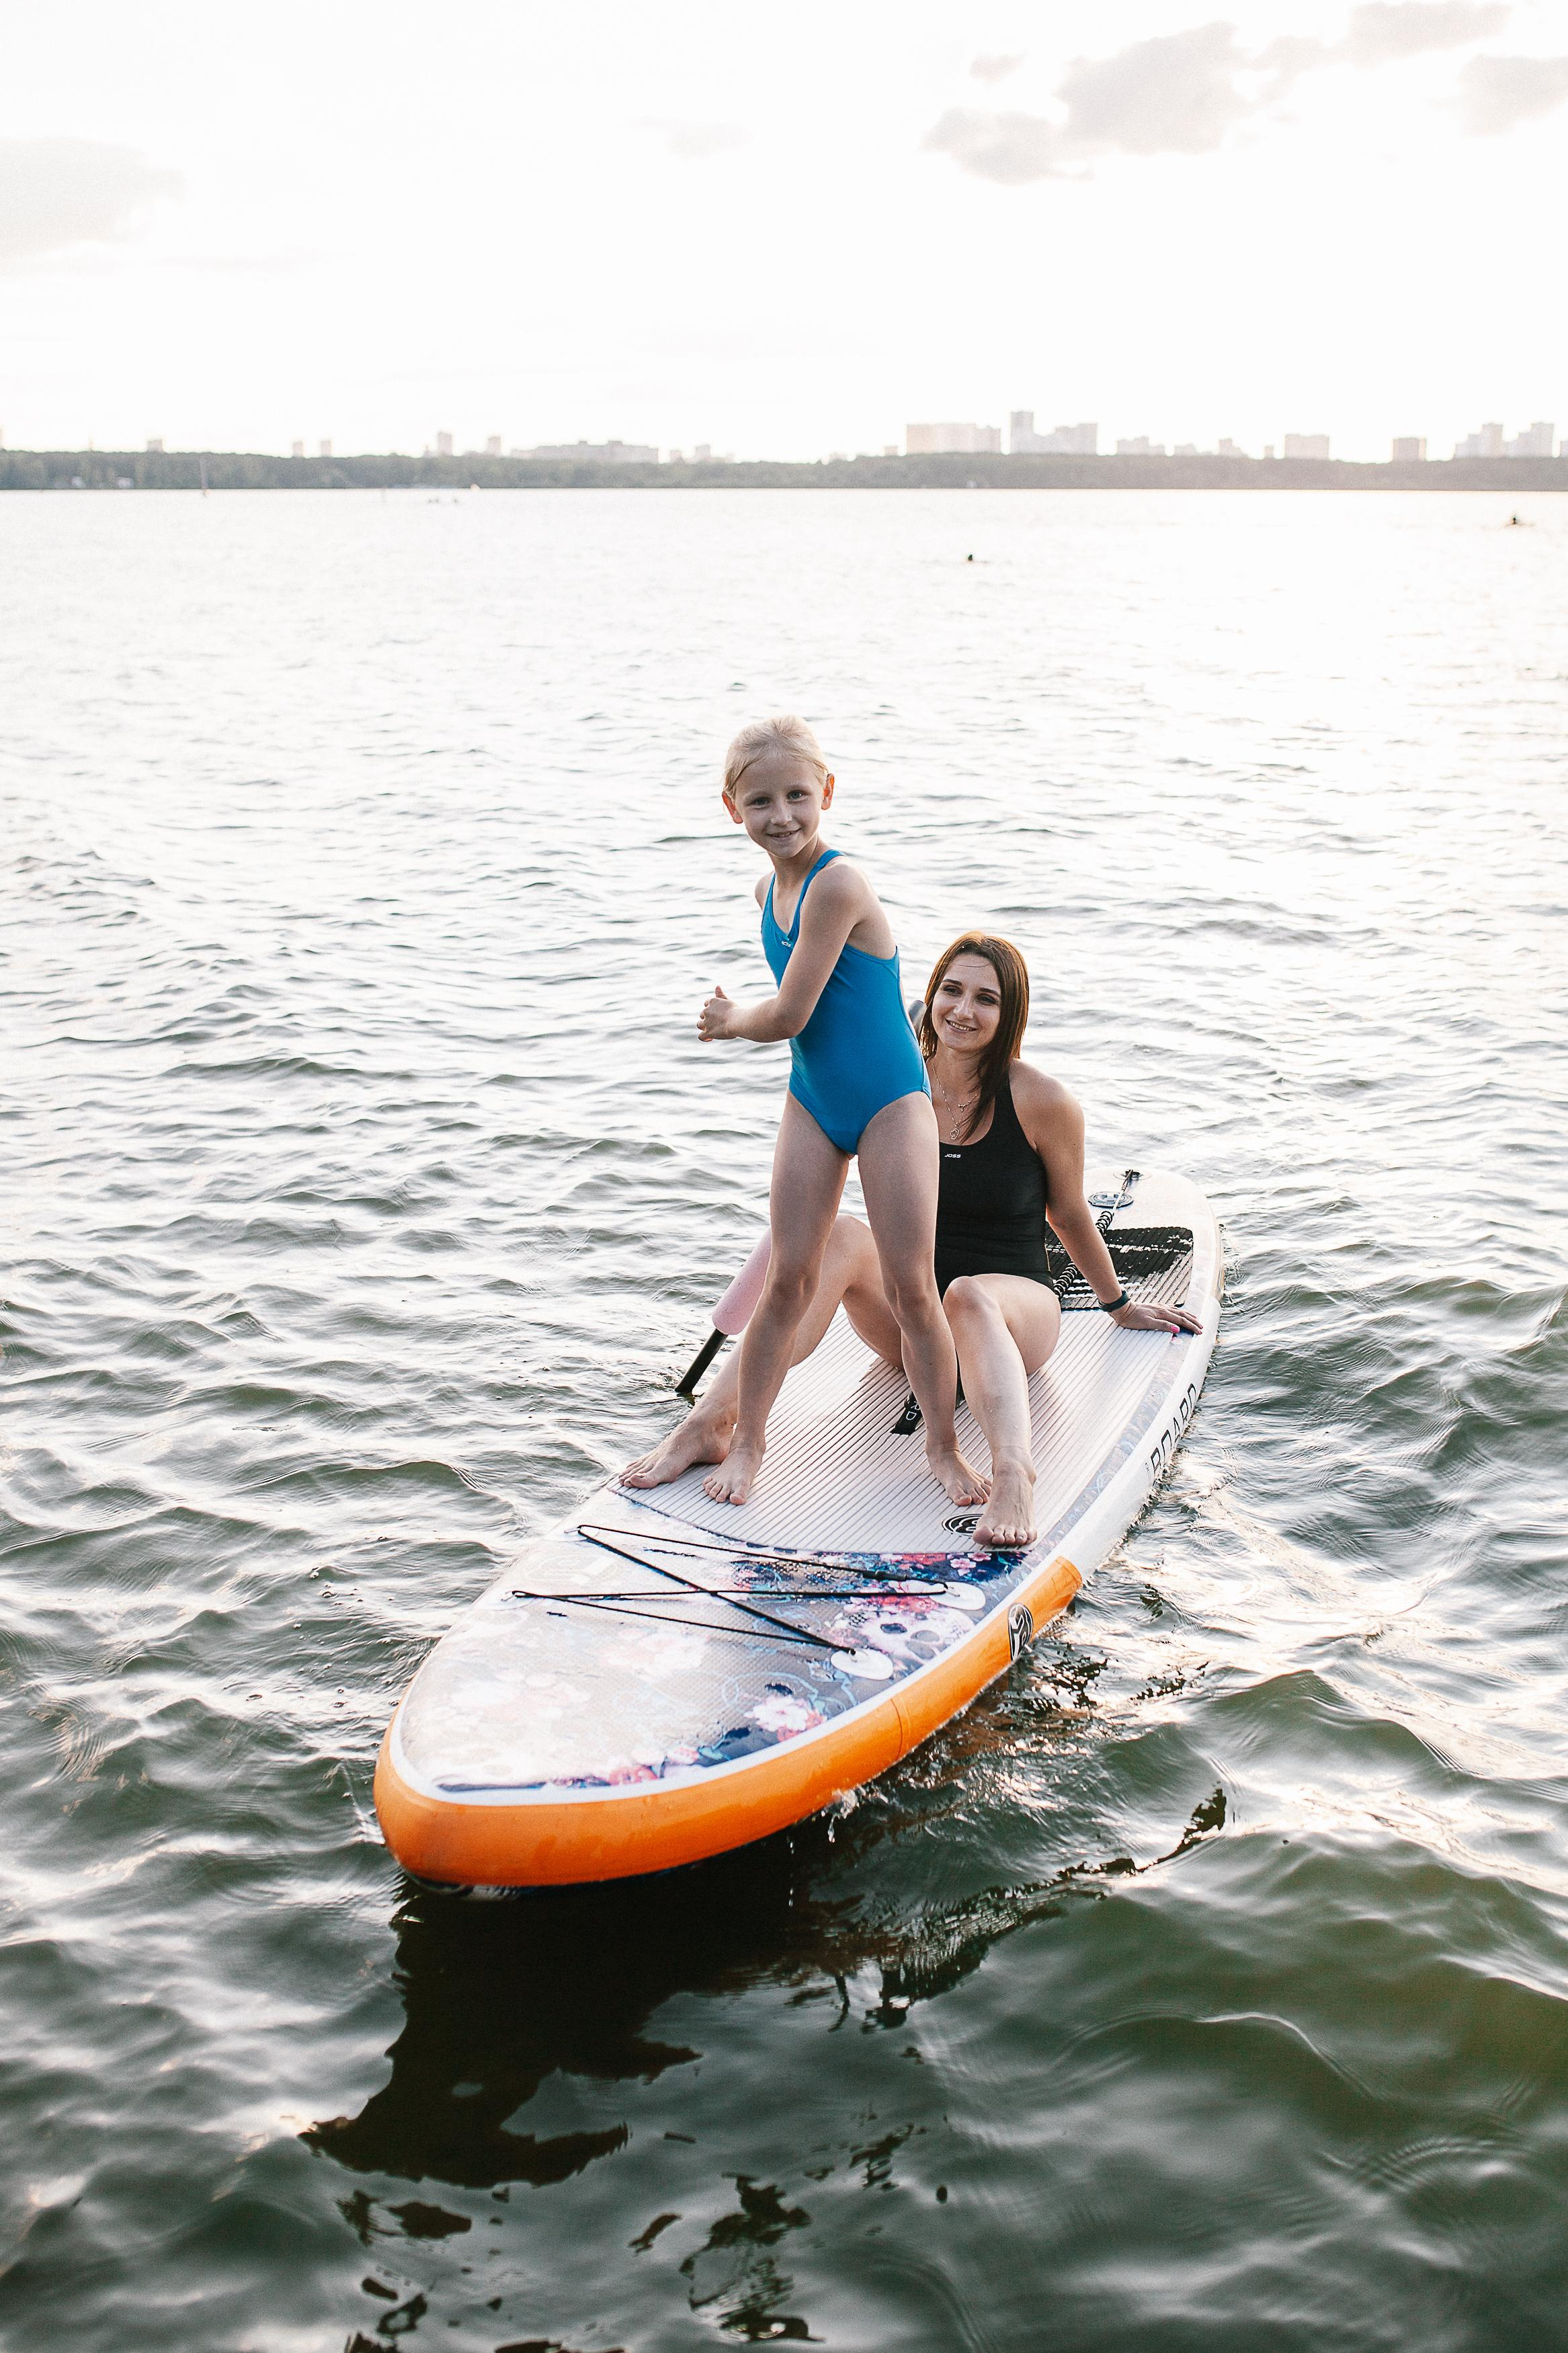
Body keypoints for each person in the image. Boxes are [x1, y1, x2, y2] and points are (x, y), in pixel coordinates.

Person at [624, 930, 1201, 1548]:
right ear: (930, 997)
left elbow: (1067, 1212)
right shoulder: (899, 1082)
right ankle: (710, 1422)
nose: (963, 1010)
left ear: (1011, 1017)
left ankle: (1014, 1472)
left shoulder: (1042, 1100)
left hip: (1009, 1311)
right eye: (951, 991)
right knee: (843, 1235)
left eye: (986, 999)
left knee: (967, 1294)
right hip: (910, 1317)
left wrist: (1116, 1304)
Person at [671, 717, 984, 1513]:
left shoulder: (839, 884)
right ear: (730, 808)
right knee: (787, 1280)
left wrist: (727, 1017)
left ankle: (942, 1451)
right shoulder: (764, 888)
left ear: (827, 793)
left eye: (797, 796)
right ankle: (745, 1441)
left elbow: (787, 1013)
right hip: (813, 1100)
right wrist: (747, 1015)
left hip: (888, 1103)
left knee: (914, 1287)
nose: (781, 816)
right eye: (761, 801)